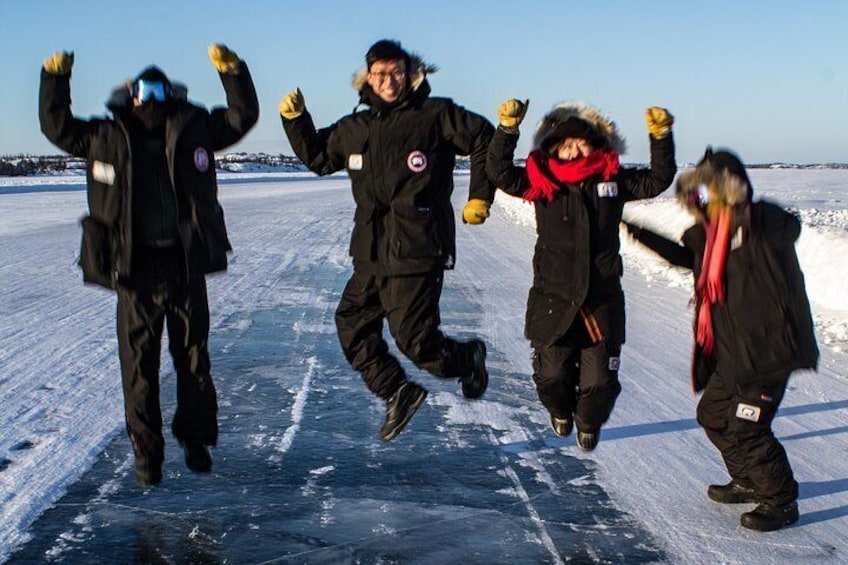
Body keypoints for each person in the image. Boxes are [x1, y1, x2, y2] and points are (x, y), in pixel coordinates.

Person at [39, 45, 259, 485]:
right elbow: (58, 127)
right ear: (129, 95)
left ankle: (195, 440)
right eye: (143, 88)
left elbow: (241, 117)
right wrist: (54, 80)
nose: (150, 95)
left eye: (158, 88)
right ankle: (147, 453)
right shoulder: (105, 133)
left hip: (183, 262)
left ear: (171, 94)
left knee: (193, 359)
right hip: (134, 269)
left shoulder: (194, 127)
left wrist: (233, 73)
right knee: (138, 366)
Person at [278, 39, 494, 441]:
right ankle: (397, 390)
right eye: (380, 74)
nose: (389, 81)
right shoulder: (356, 127)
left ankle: (468, 358)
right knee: (352, 324)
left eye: (397, 72)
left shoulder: (435, 115)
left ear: (412, 75)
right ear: (368, 78)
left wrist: (480, 194)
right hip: (371, 250)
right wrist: (296, 120)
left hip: (418, 247)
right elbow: (319, 157)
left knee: (416, 341)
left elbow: (483, 136)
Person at [624, 147, 819, 531]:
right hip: (734, 353)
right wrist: (640, 233)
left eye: (716, 191)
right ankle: (748, 478)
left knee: (749, 428)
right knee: (712, 415)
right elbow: (687, 258)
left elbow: (788, 227)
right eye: (703, 194)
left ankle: (781, 500)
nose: (708, 200)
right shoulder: (709, 238)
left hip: (769, 353)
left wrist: (746, 211)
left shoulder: (763, 226)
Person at [487, 100, 676, 451]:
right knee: (552, 376)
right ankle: (559, 410)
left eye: (582, 142)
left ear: (597, 145)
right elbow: (498, 172)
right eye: (565, 144)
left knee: (600, 381)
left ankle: (588, 421)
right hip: (553, 297)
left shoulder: (612, 179)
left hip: (599, 298)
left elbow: (658, 179)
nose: (574, 150)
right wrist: (507, 130)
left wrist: (661, 137)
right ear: (553, 148)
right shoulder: (539, 181)